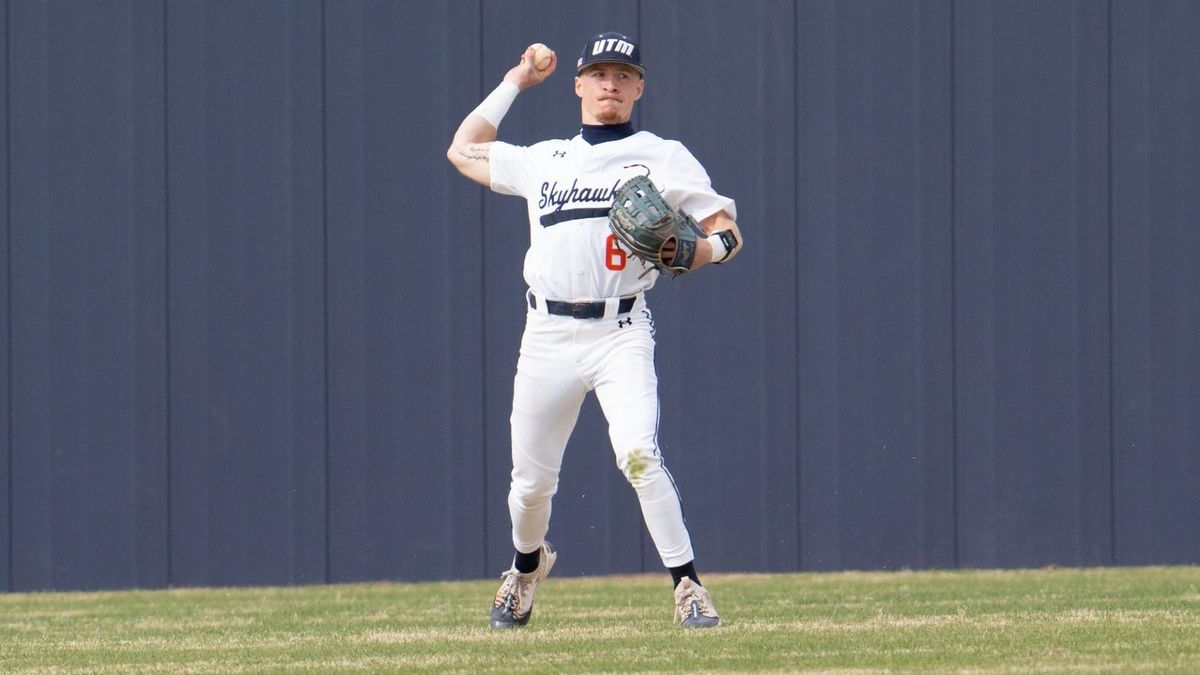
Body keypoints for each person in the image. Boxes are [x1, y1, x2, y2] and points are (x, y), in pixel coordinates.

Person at [446, 31, 743, 629]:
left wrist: (700, 251)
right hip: (547, 333)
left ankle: (688, 587)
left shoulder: (663, 155)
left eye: (623, 74)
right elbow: (462, 149)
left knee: (639, 455)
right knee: (529, 487)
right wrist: (515, 83)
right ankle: (525, 569)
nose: (611, 82)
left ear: (638, 88)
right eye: (599, 73)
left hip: (620, 331)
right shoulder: (543, 159)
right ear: (578, 84)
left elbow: (730, 232)